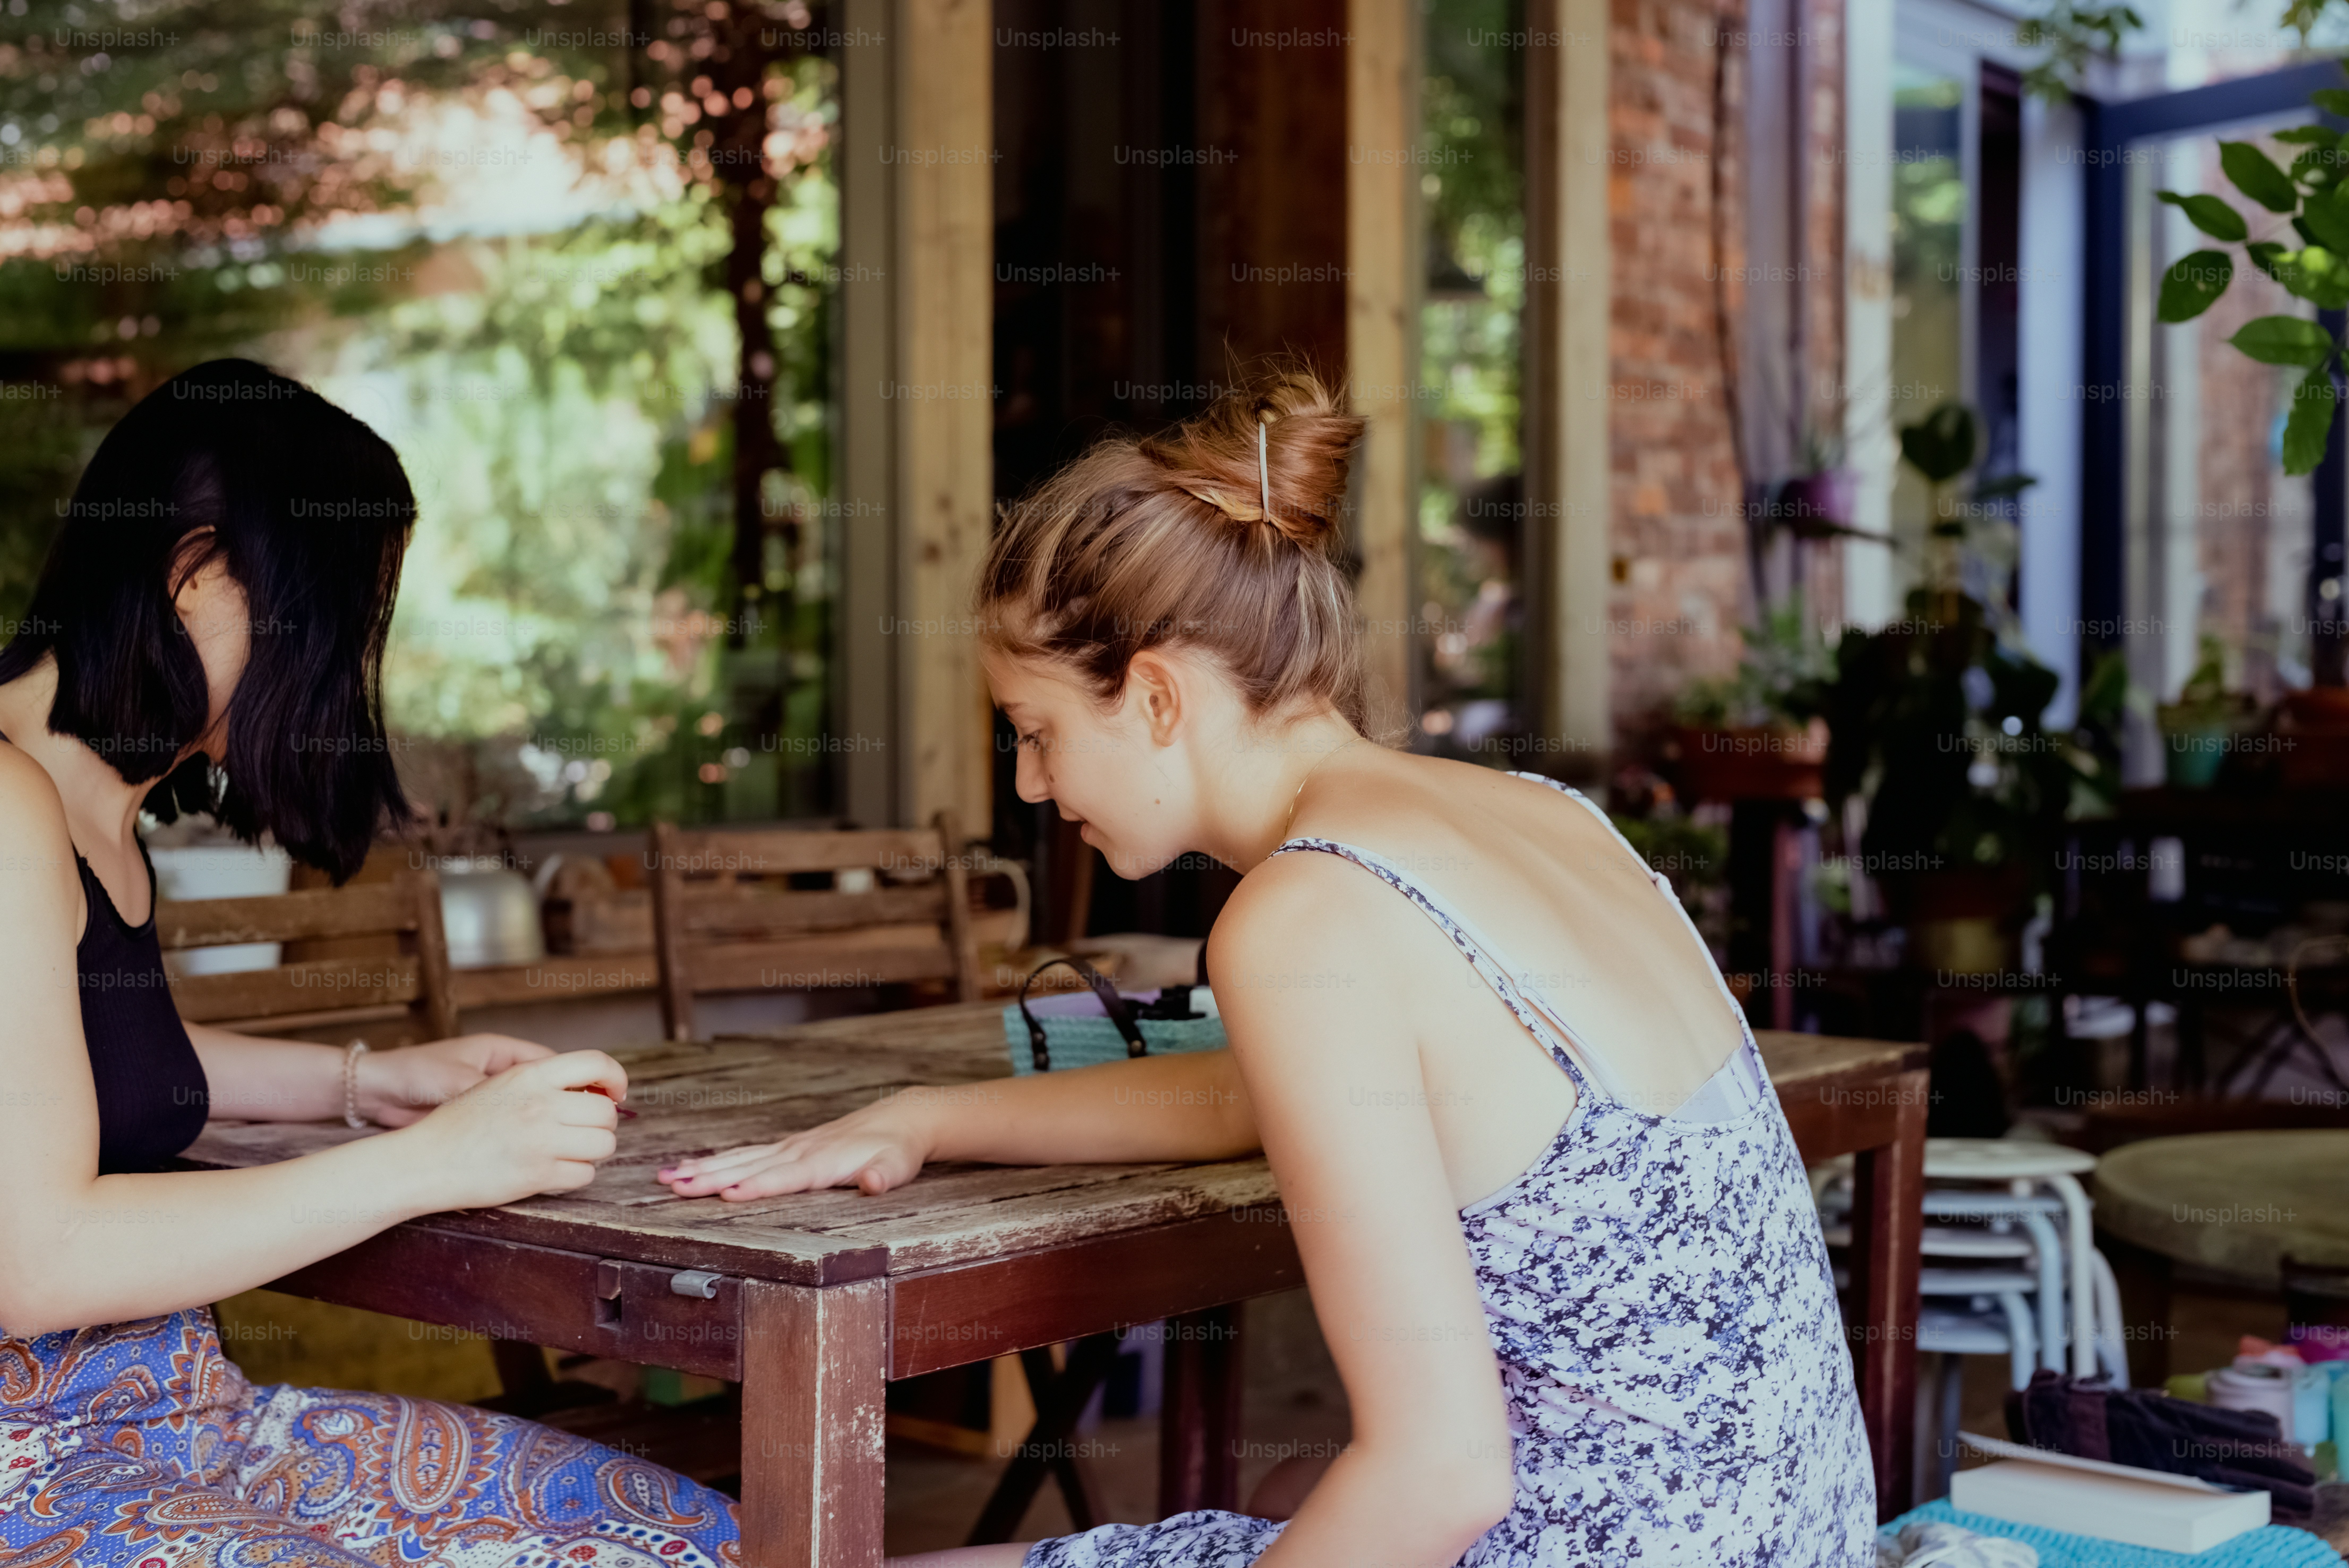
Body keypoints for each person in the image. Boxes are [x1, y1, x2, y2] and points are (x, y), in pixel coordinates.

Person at [658, 371, 1877, 1566]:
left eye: (1036, 734)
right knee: (1295, 1489)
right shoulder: (1546, 811)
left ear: (1154, 696)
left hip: (1613, 1538)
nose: (1030, 785)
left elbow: (1440, 1476)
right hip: (1793, 1530)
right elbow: (1263, 1095)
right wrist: (926, 1116)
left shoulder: (1302, 914)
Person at [0, 360, 741, 1566]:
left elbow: (68, 1065)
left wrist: (373, 1080)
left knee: (671, 1537)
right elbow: (34, 1259)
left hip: (181, 1421)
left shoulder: (91, 810)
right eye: (327, 623)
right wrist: (432, 1160)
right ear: (195, 575)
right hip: (35, 1464)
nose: (342, 675)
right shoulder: (3, 803)